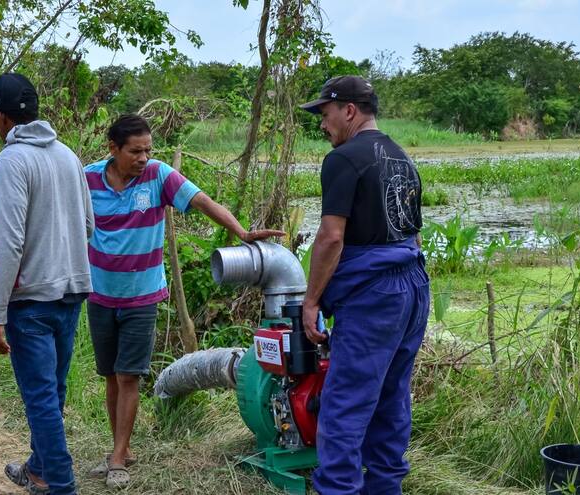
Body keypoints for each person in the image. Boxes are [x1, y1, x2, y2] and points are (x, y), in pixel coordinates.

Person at [83, 114, 284, 488]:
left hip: (142, 296)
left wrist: (239, 230)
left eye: (148, 150)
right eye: (134, 151)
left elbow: (202, 200)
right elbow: (60, 218)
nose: (143, 158)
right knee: (110, 375)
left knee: (129, 375)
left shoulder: (159, 176)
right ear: (112, 148)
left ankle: (117, 457)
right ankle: (120, 449)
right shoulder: (88, 178)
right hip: (99, 293)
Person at [298, 76, 430, 495]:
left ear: (349, 110)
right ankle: (386, 486)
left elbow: (332, 236)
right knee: (392, 397)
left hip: (374, 295)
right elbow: (414, 233)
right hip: (413, 285)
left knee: (345, 404)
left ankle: (338, 488)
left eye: (325, 113)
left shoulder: (343, 158)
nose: (322, 124)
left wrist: (311, 300)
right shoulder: (401, 156)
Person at [0, 72, 93, 495]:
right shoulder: (68, 156)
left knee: (41, 399)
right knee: (53, 391)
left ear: (4, 118)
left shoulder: (13, 159)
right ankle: (40, 469)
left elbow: (10, 243)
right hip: (72, 291)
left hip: (32, 302)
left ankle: (61, 485)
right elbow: (87, 226)